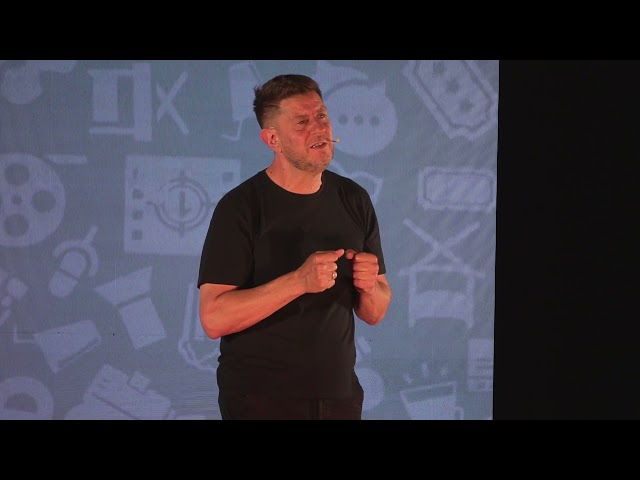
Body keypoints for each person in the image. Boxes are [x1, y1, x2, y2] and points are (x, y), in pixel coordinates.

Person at [197, 73, 392, 420]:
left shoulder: (354, 199)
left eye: (322, 116)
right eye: (302, 122)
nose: (319, 129)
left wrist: (368, 286)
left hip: (339, 399)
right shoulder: (240, 207)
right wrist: (298, 281)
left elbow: (374, 312)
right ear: (272, 138)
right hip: (260, 401)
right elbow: (213, 318)